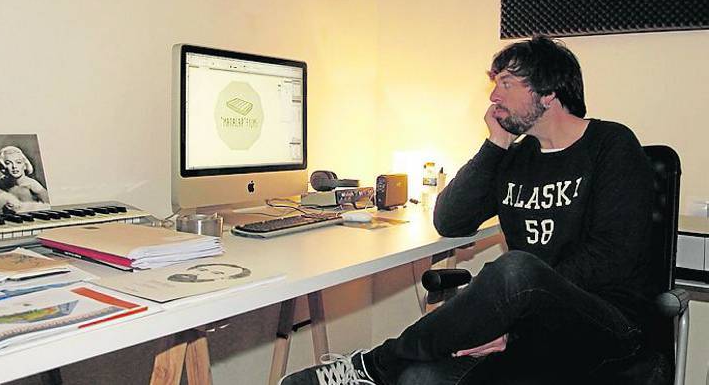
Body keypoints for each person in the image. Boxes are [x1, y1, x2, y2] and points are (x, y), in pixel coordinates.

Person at [279, 36, 655, 385]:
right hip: (532, 328)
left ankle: (373, 366)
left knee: (516, 268)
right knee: (419, 379)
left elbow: (612, 257)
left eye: (507, 83)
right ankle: (381, 370)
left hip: (608, 325)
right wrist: (496, 144)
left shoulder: (611, 145)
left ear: (548, 92)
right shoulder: (515, 157)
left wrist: (515, 317)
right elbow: (450, 221)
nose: (494, 96)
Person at [0, 145, 51, 214]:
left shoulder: (32, 185)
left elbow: (49, 206)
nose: (14, 166)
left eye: (18, 162)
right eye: (8, 163)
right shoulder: (2, 183)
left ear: (24, 165)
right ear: (3, 166)